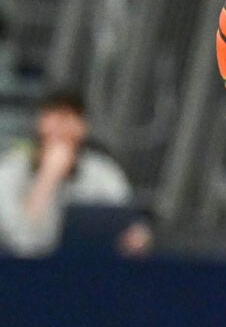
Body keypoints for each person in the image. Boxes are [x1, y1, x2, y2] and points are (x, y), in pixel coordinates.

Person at [0, 90, 143, 257]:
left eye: (70, 117)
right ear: (40, 123)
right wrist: (47, 177)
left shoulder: (103, 170)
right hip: (21, 270)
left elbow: (124, 218)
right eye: (54, 117)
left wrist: (136, 235)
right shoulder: (11, 169)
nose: (61, 126)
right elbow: (19, 240)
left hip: (88, 266)